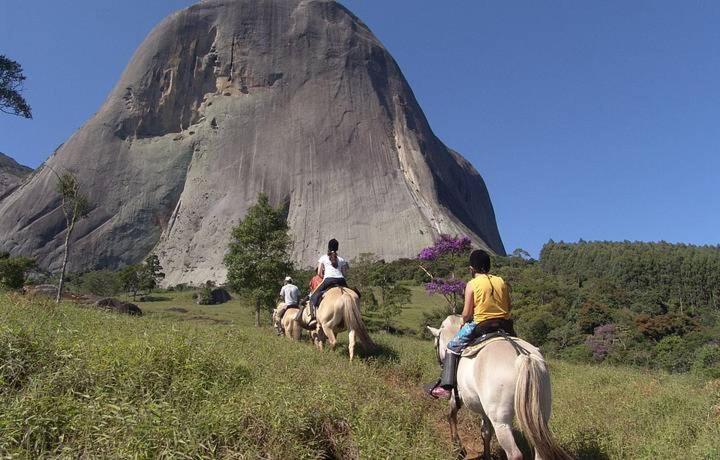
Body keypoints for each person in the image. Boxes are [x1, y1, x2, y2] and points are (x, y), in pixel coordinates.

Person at [424, 249, 516, 399]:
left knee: (452, 346)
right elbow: (509, 307)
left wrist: (462, 322)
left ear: (471, 268)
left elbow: (466, 313)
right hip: (505, 325)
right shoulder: (501, 281)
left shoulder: (472, 284)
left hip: (481, 324)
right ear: (489, 266)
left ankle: (445, 387)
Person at [294, 238, 348, 325]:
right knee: (352, 294)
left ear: (328, 247)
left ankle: (313, 317)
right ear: (337, 248)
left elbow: (319, 273)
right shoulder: (341, 259)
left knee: (313, 297)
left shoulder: (323, 258)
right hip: (341, 280)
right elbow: (345, 274)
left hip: (328, 280)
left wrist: (324, 277)